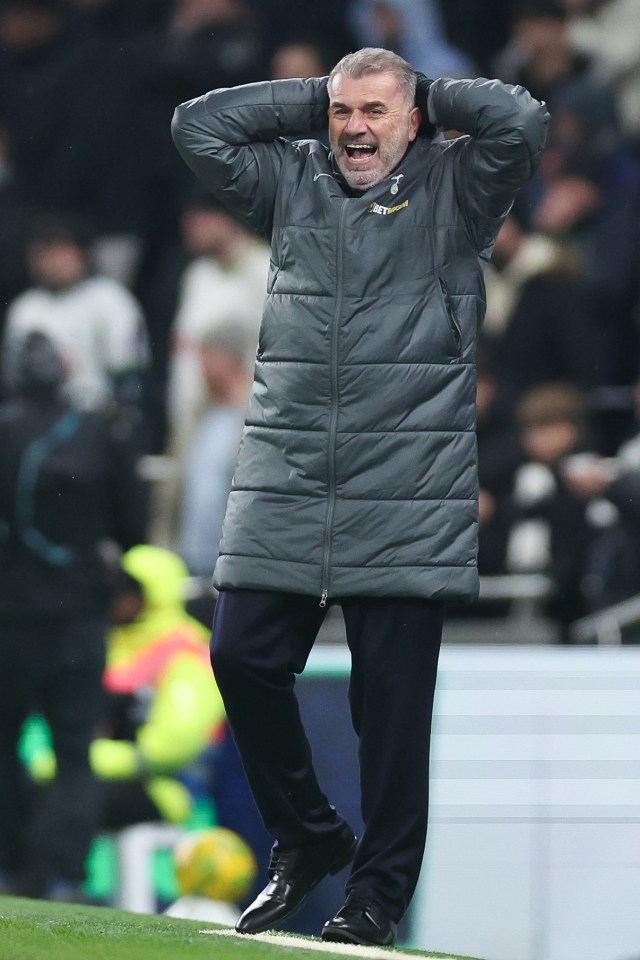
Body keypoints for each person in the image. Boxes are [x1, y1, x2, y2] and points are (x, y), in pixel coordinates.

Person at [172, 46, 549, 945]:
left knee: (389, 713)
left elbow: (523, 119)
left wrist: (425, 91)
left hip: (406, 486)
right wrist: (317, 95)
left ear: (416, 117)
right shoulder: (291, 182)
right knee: (241, 658)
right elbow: (196, 126)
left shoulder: (461, 189)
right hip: (289, 474)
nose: (354, 129)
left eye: (376, 111)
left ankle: (377, 897)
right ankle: (306, 837)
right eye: (343, 113)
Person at [0, 331, 149, 901]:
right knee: (74, 749)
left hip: (10, 614)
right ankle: (62, 874)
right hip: (80, 613)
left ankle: (12, 866)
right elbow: (132, 526)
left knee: (5, 742)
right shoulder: (98, 431)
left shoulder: (5, 429)